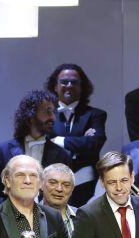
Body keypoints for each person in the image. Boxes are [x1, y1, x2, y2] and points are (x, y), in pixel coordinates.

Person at [0, 90, 72, 209]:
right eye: (47, 111)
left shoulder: (63, 155)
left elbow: (64, 193)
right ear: (31, 115)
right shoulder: (2, 150)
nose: (52, 117)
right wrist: (12, 218)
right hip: (7, 222)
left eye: (53, 112)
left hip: (48, 222)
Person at [45, 63, 107, 207]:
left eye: (74, 82)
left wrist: (58, 140)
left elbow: (94, 144)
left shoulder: (95, 115)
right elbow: (44, 143)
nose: (69, 85)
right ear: (55, 86)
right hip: (51, 184)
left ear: (82, 87)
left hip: (86, 186)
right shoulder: (46, 114)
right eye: (64, 82)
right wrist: (81, 140)